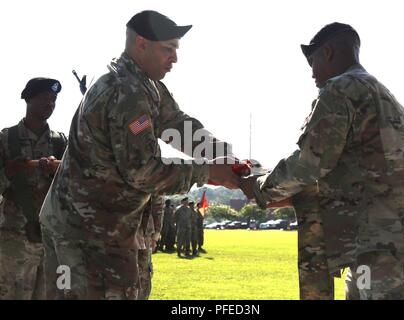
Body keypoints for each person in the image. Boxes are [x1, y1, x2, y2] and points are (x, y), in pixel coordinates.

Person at [39, 10, 239, 300]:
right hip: (86, 235)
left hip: (89, 227)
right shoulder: (126, 91)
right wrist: (206, 172)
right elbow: (144, 171)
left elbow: (177, 125)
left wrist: (223, 156)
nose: (175, 58)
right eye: (167, 49)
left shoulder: (145, 84)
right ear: (141, 44)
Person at [240, 22, 404, 300]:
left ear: (328, 52)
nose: (313, 74)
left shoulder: (341, 89)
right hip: (399, 243)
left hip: (384, 249)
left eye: (313, 62)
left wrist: (258, 186)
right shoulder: (384, 96)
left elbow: (309, 164)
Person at [0, 78, 67, 299]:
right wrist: (9, 172)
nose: (50, 104)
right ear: (27, 99)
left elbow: (76, 187)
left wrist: (59, 170)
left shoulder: (61, 143)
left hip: (51, 239)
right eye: (44, 99)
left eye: (54, 100)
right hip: (15, 240)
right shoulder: (6, 139)